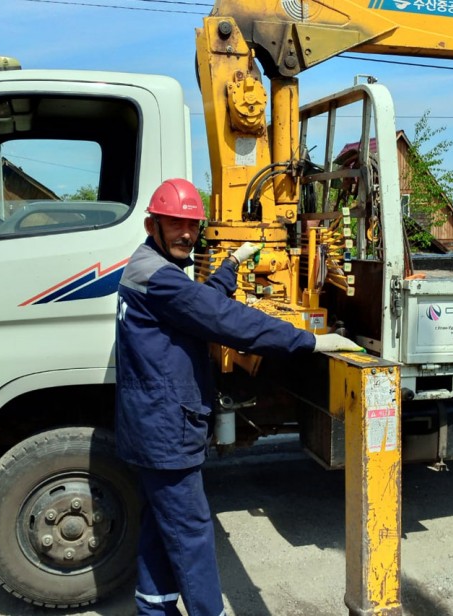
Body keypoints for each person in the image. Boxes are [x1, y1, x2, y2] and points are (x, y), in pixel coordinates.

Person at [115, 178, 361, 616]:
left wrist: (230, 263)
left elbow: (197, 302)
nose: (186, 233)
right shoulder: (160, 279)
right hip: (166, 429)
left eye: (192, 224)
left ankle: (154, 608)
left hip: (152, 425)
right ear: (152, 224)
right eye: (175, 224)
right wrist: (308, 341)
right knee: (190, 532)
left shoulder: (150, 269)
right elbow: (224, 319)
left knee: (161, 523)